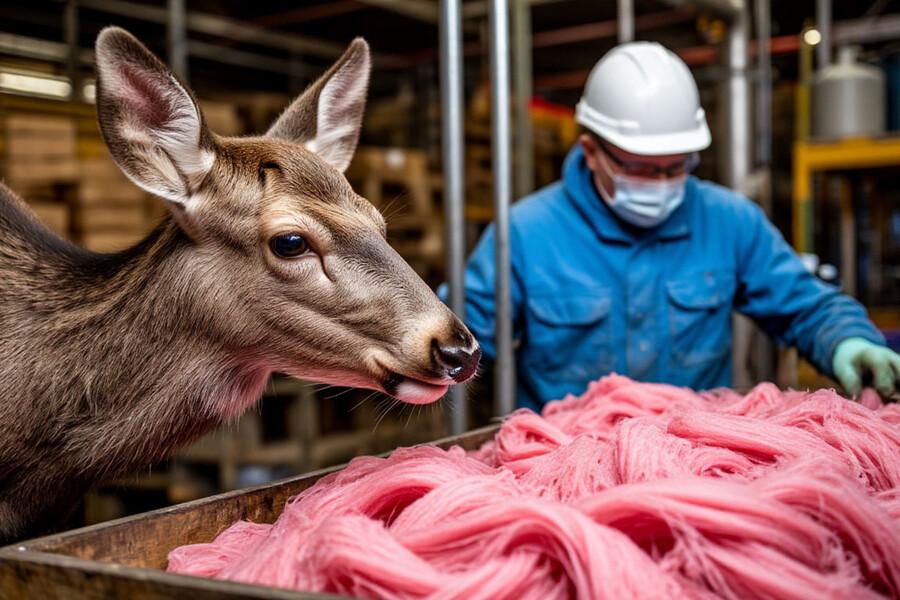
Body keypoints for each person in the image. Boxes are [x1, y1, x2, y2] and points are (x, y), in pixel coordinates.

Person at [452, 41, 900, 411]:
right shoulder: (526, 234)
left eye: (677, 166)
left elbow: (805, 305)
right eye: (643, 169)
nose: (663, 183)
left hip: (699, 459)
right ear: (591, 151)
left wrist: (848, 341)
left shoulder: (729, 221)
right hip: (564, 467)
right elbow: (456, 336)